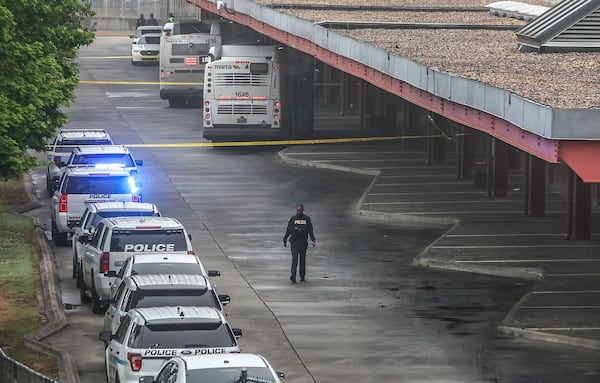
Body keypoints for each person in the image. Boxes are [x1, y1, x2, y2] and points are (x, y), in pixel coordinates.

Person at [283, 204, 316, 283]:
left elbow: (310, 230)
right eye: (298, 210)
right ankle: (295, 275)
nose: (299, 212)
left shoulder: (297, 219)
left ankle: (301, 276)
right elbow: (289, 230)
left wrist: (313, 240)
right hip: (297, 241)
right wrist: (285, 238)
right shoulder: (303, 219)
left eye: (299, 210)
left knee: (300, 258)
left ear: (302, 210)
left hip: (300, 241)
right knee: (297, 258)